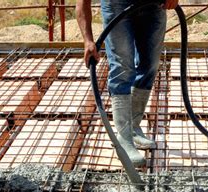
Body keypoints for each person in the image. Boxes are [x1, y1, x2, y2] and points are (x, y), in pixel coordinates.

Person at [76, 0, 178, 167]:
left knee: (150, 65)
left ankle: (133, 128)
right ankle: (124, 139)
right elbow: (82, 1)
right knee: (122, 68)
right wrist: (88, 40)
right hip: (116, 4)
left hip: (154, 5)